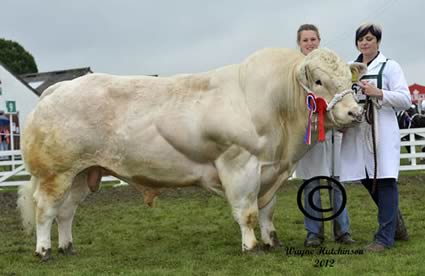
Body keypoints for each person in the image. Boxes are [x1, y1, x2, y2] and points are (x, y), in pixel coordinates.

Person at [340, 23, 410, 252]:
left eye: (369, 38)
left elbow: (405, 99)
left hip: (382, 129)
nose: (365, 42)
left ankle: (384, 238)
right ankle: (395, 224)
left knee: (386, 179)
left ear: (378, 41)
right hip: (358, 131)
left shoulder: (390, 67)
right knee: (366, 178)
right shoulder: (349, 68)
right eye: (361, 39)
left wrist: (379, 93)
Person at [295, 24, 355, 247]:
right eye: (305, 40)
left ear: (319, 40)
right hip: (308, 134)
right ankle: (314, 232)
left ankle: (343, 230)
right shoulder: (296, 72)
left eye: (313, 39)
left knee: (335, 181)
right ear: (299, 44)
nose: (310, 43)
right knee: (311, 183)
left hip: (331, 131)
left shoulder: (332, 66)